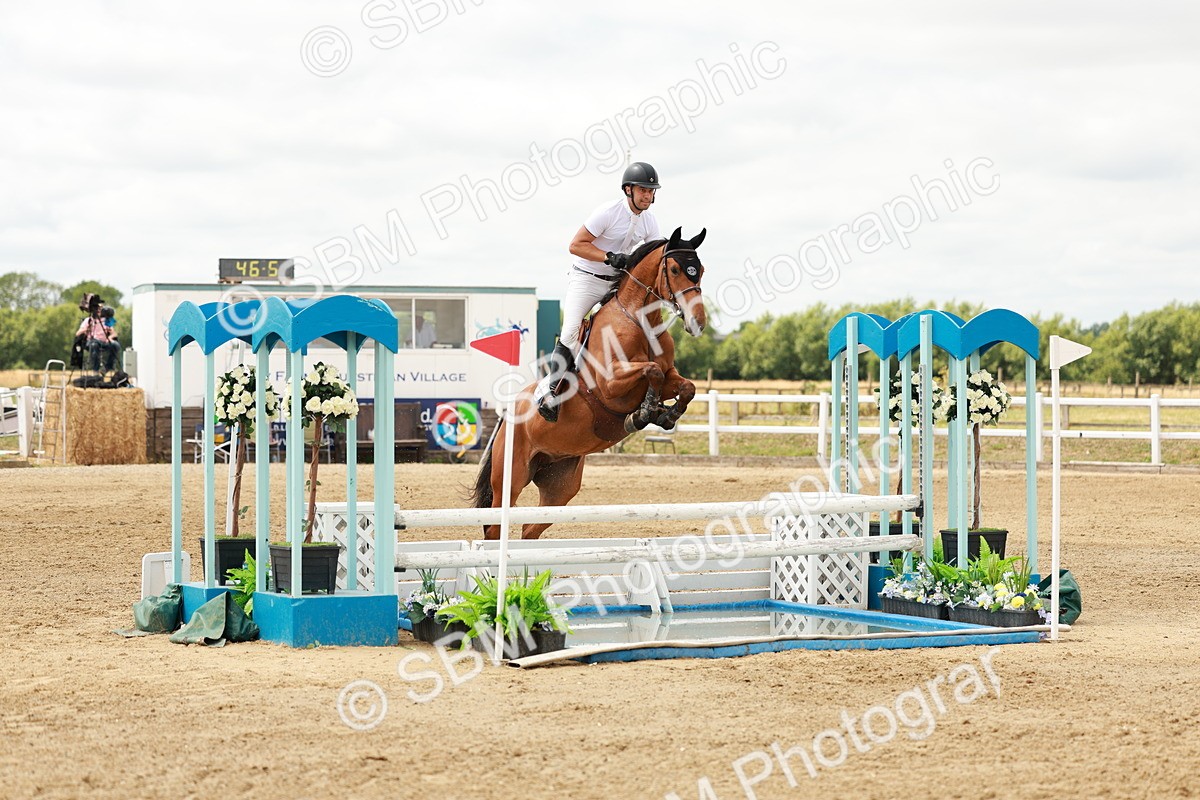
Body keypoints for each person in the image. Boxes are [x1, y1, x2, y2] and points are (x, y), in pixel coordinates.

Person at [537, 161, 663, 422]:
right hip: (587, 279)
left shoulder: (650, 222)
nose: (648, 196)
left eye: (651, 191)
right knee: (571, 330)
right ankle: (551, 392)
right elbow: (575, 245)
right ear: (628, 190)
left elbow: (653, 258)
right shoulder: (607, 212)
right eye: (643, 190)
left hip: (618, 282)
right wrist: (607, 256)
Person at [76, 297, 120, 372]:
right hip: (91, 342)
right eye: (98, 308)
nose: (99, 310)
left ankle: (107, 368)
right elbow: (77, 333)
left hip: (104, 342)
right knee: (94, 344)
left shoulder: (107, 320)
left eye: (101, 309)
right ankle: (95, 370)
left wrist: (109, 337)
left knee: (115, 345)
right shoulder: (89, 320)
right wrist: (87, 329)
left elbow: (114, 334)